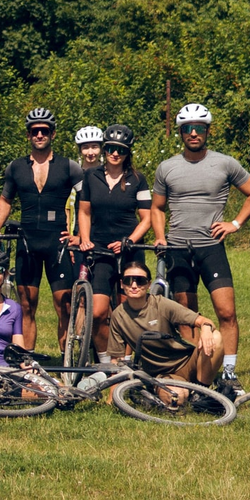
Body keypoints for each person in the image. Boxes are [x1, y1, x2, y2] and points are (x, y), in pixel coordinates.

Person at [150, 103, 250, 395]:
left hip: (211, 248)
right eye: (187, 128)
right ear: (180, 133)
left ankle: (228, 374)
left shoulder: (225, 163)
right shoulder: (167, 167)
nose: (193, 133)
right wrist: (160, 236)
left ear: (207, 131)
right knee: (188, 315)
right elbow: (157, 208)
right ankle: (194, 374)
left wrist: (235, 224)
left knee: (226, 313)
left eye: (199, 128)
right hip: (178, 248)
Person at [0, 109, 82, 352]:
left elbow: (86, 201)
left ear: (53, 134)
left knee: (64, 305)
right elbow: (5, 200)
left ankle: (66, 360)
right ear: (28, 135)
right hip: (27, 240)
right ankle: (27, 359)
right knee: (26, 305)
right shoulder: (16, 167)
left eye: (44, 131)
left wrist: (81, 234)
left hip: (57, 241)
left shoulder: (69, 166)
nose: (40, 135)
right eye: (35, 131)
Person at [77, 124, 152, 360]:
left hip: (129, 251)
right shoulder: (91, 176)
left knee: (128, 312)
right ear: (104, 149)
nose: (115, 154)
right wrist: (85, 239)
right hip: (100, 250)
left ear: (128, 153)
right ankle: (105, 360)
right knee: (98, 312)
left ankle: (126, 361)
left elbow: (147, 219)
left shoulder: (138, 179)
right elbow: (84, 212)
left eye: (121, 150)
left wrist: (129, 241)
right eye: (110, 148)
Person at [108, 256, 224, 385]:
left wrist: (206, 329)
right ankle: (189, 391)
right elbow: (116, 361)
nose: (134, 285)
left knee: (216, 337)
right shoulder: (118, 316)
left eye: (140, 281)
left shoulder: (161, 304)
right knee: (176, 395)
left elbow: (203, 320)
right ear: (121, 284)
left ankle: (202, 391)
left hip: (187, 362)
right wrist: (113, 394)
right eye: (128, 281)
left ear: (148, 284)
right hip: (162, 374)